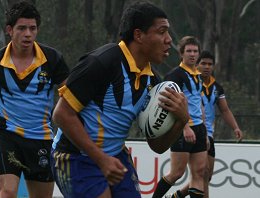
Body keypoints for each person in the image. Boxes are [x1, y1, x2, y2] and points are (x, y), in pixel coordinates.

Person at [50, 1, 189, 198]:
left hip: (115, 156)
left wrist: (182, 120)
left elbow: (157, 146)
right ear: (138, 35)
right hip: (74, 156)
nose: (169, 40)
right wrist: (100, 159)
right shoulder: (102, 62)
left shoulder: (153, 82)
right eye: (162, 31)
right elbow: (61, 115)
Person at [0, 1, 69, 198]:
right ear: (10, 30)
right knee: (7, 193)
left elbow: (71, 100)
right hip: (8, 137)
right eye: (22, 28)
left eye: (32, 28)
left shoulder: (53, 59)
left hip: (42, 140)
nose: (28, 33)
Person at [165, 50, 244, 198]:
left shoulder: (217, 88)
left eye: (210, 64)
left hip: (208, 134)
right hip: (192, 130)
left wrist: (235, 127)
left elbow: (225, 110)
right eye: (203, 63)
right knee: (197, 174)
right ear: (197, 64)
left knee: (206, 176)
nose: (207, 67)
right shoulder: (191, 82)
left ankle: (176, 196)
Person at [153, 36, 207, 198]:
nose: (192, 54)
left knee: (199, 173)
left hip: (199, 129)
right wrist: (185, 127)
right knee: (176, 173)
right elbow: (169, 105)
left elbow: (199, 104)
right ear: (181, 54)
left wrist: (204, 130)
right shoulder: (174, 75)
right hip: (182, 128)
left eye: (195, 51)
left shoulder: (198, 75)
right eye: (189, 51)